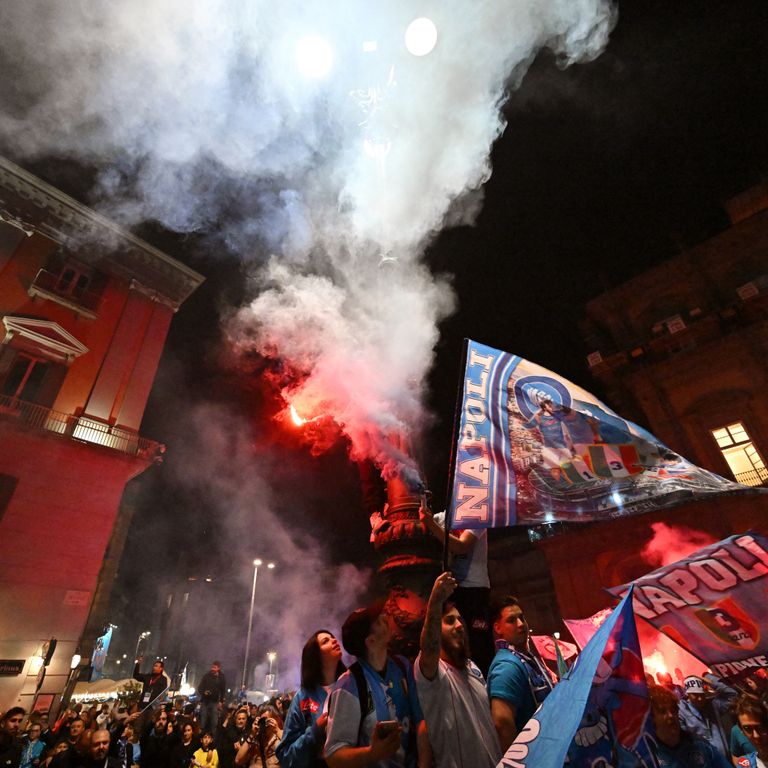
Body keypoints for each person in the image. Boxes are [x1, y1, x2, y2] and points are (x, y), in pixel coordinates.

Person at [414, 572, 501, 768]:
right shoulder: (433, 674)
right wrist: (436, 599)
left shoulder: (473, 668)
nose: (460, 625)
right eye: (450, 621)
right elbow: (429, 647)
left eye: (460, 620)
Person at [324, 602, 423, 768]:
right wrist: (372, 753)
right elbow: (334, 755)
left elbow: (421, 720)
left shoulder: (402, 666)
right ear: (370, 641)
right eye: (377, 621)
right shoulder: (349, 686)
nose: (385, 617)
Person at [419, 504, 494, 676]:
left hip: (476, 591)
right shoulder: (446, 516)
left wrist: (430, 523)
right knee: (458, 647)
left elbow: (462, 546)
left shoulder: (478, 510)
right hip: (455, 589)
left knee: (478, 646)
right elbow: (422, 523)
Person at [486, 595, 554, 751]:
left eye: (521, 617)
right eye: (511, 620)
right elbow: (502, 721)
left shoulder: (524, 657)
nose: (521, 624)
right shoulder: (507, 665)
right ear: (498, 628)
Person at [276, 630, 345, 768]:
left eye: (333, 638)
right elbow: (285, 755)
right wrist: (314, 731)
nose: (334, 640)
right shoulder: (302, 698)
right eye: (326, 641)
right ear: (315, 656)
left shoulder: (352, 687)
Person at [649, 685, 731, 768]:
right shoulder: (650, 756)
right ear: (651, 717)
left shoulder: (700, 745)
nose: (670, 715)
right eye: (662, 711)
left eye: (673, 709)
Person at [679, 675, 737, 761]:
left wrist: (709, 679)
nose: (700, 698)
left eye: (702, 694)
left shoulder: (713, 705)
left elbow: (732, 695)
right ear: (688, 694)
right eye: (695, 694)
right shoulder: (682, 712)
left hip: (726, 760)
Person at [733, 695, 768, 767]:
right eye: (747, 728)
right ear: (741, 731)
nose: (756, 735)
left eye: (760, 727)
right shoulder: (745, 764)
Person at [198, 664, 227, 737]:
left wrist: (221, 701)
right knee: (203, 721)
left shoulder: (221, 677)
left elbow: (223, 690)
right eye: (212, 667)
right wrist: (204, 692)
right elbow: (200, 688)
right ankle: (201, 737)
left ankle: (213, 739)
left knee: (214, 722)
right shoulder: (207, 676)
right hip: (205, 701)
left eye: (215, 667)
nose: (213, 669)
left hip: (214, 702)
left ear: (218, 668)